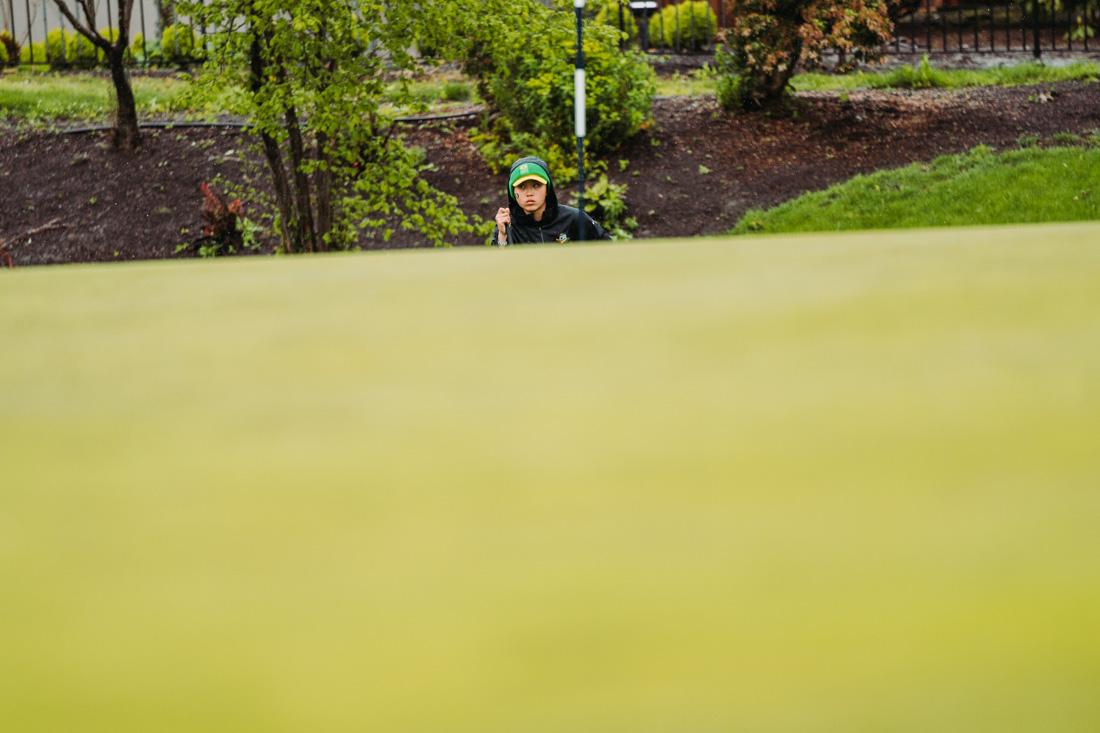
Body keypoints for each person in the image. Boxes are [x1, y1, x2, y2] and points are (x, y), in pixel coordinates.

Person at [493, 156, 612, 245]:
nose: (529, 193)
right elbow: (497, 270)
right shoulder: (507, 225)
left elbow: (607, 248)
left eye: (536, 185)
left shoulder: (574, 218)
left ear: (547, 189)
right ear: (513, 192)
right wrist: (502, 237)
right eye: (522, 187)